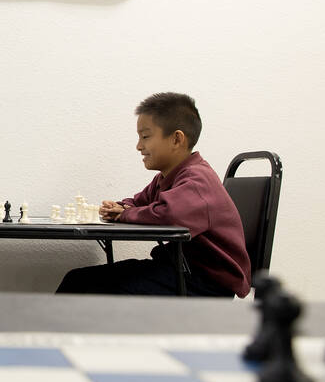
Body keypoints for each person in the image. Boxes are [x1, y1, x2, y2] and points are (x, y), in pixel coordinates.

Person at [57, 92, 250, 298]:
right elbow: (139, 202)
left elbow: (169, 216)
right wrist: (119, 207)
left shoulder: (196, 180)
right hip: (181, 270)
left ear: (176, 139)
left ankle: (54, 330)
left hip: (206, 283)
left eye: (146, 136)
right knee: (77, 279)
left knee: (90, 288)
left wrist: (123, 214)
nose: (139, 146)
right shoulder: (168, 177)